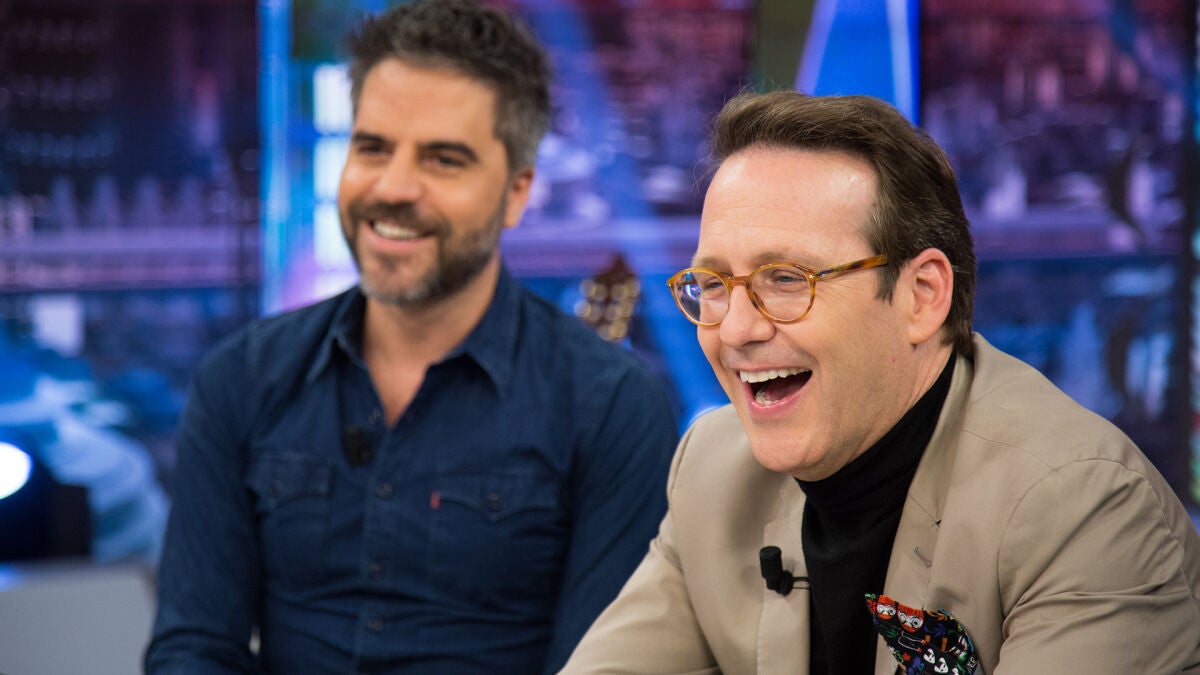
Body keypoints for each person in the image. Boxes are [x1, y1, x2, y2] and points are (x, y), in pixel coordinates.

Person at [561, 91, 1200, 674]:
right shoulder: (712, 468)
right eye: (713, 284)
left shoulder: (1082, 506)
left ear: (922, 296)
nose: (735, 329)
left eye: (785, 279)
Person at [144, 1, 678, 672]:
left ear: (516, 193)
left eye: (443, 159)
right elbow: (194, 649)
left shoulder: (612, 408)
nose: (394, 188)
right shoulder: (240, 380)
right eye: (371, 148)